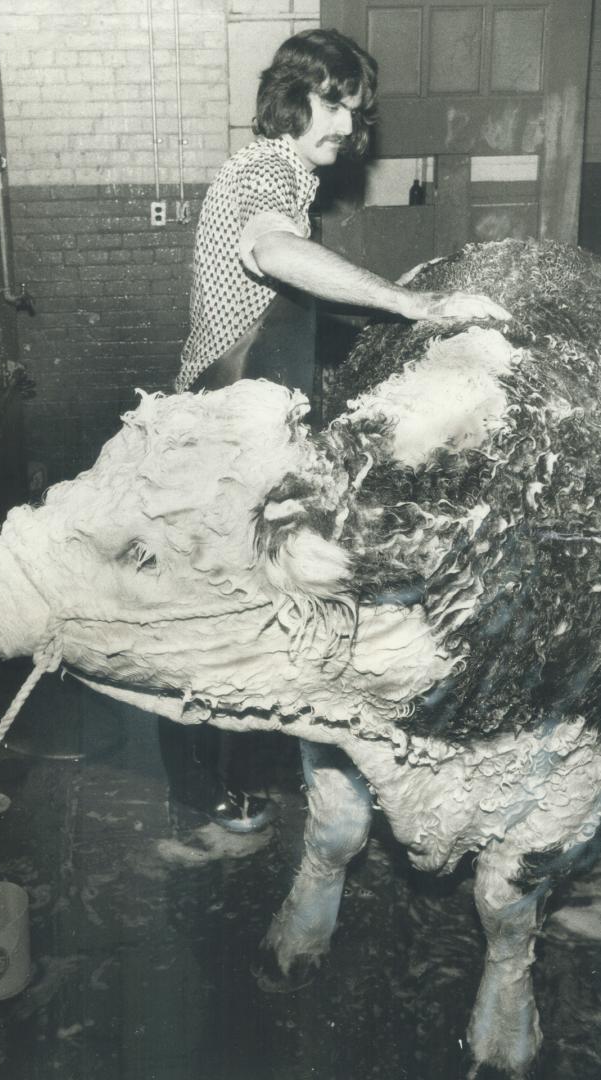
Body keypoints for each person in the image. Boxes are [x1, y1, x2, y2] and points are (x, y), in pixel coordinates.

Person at [161, 28, 511, 835]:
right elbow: (272, 252)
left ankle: (214, 778)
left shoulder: (274, 174)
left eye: (353, 114)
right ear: (291, 100)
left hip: (231, 413)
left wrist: (386, 311)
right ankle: (199, 791)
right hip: (223, 419)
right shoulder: (266, 171)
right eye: (331, 105)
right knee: (211, 609)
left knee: (225, 601)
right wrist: (410, 304)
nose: (346, 129)